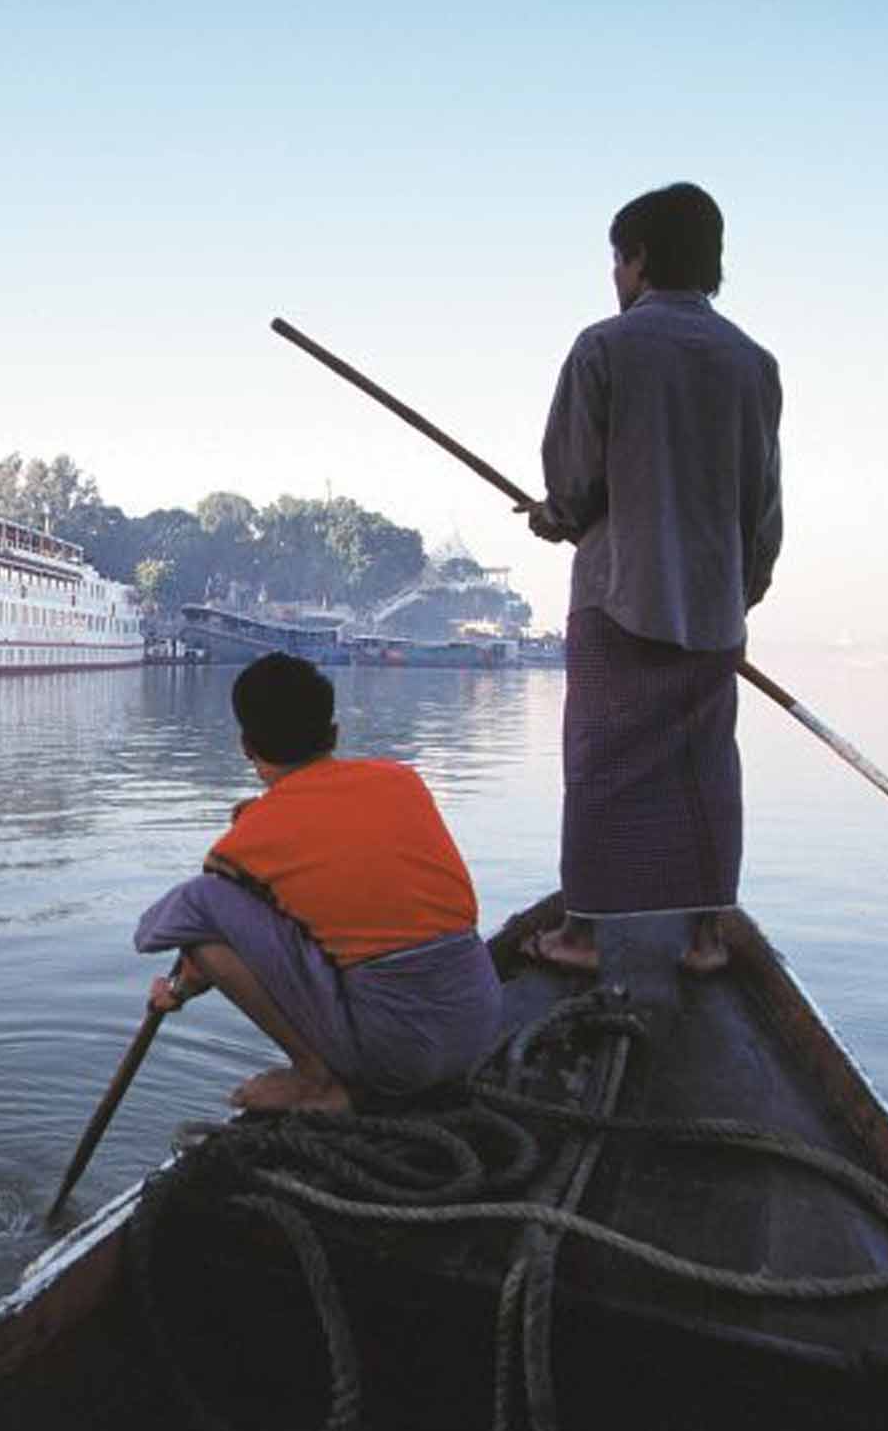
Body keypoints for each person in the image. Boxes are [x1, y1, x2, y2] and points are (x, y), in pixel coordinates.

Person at [523, 183, 783, 975]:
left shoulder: (605, 347)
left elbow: (573, 487)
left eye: (617, 258)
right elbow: (761, 502)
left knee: (599, 763)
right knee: (707, 768)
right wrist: (744, 591)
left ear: (638, 259)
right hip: (712, 606)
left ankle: (584, 937)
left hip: (618, 598)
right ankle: (706, 938)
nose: (614, 276)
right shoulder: (752, 362)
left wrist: (551, 517)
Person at [133, 653, 503, 1113]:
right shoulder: (402, 781)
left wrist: (179, 990)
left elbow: (164, 932)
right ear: (334, 735)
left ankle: (314, 1080)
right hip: (480, 1022)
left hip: (398, 1059)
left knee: (203, 904)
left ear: (246, 747)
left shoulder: (244, 842)